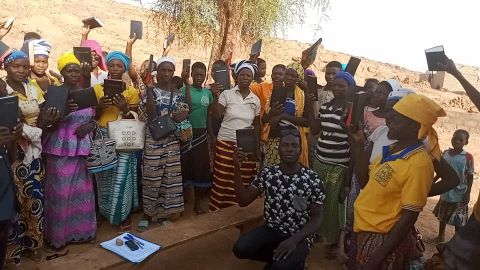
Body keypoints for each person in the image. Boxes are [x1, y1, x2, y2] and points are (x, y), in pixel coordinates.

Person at [351, 93, 445, 269]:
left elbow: (408, 218)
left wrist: (376, 258)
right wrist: (357, 144)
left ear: (414, 126)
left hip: (382, 239)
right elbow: (366, 184)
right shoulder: (392, 149)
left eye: (396, 120)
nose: (388, 123)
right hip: (365, 230)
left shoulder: (418, 163)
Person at [232, 130, 325, 270]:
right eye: (285, 145)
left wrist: (294, 240)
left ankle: (292, 264)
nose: (289, 149)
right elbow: (243, 201)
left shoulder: (312, 179)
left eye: (294, 145)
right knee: (240, 249)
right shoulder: (268, 173)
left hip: (299, 235)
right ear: (278, 148)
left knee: (279, 268)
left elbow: (317, 218)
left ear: (300, 150)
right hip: (272, 229)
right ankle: (279, 260)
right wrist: (236, 168)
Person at [3, 50, 58, 264]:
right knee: (14, 203)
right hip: (12, 154)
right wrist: (37, 130)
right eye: (16, 66)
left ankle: (33, 244)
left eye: (25, 66)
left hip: (34, 154)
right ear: (6, 67)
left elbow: (43, 114)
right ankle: (11, 251)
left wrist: (46, 121)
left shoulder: (32, 87)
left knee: (34, 200)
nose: (22, 70)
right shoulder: (3, 89)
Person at [42, 52, 97, 250]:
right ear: (62, 72)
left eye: (76, 70)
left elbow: (94, 118)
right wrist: (64, 112)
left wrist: (90, 126)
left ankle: (81, 233)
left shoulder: (87, 92)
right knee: (61, 193)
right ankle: (59, 237)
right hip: (59, 149)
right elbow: (47, 124)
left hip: (81, 150)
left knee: (82, 192)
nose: (74, 73)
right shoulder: (55, 93)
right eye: (69, 70)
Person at [308, 70, 355, 259]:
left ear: (349, 88)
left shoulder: (351, 111)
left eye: (341, 86)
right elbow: (315, 129)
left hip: (339, 163)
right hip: (321, 160)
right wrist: (311, 104)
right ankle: (319, 232)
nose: (337, 89)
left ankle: (336, 242)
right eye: (335, 85)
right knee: (319, 199)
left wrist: (348, 177)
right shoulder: (326, 106)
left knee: (336, 204)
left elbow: (353, 142)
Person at [93, 51, 140, 232]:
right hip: (102, 135)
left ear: (124, 68)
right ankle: (105, 213)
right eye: (111, 65)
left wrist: (125, 108)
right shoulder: (98, 89)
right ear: (107, 67)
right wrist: (100, 107)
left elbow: (135, 118)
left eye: (119, 66)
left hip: (122, 137)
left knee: (122, 177)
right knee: (103, 176)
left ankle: (123, 215)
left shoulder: (131, 91)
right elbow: (93, 116)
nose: (114, 68)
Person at [139, 57, 187, 231]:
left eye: (169, 71)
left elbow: (183, 113)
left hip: (172, 140)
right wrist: (150, 90)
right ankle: (147, 214)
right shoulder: (149, 91)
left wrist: (183, 115)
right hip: (154, 139)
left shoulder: (178, 92)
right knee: (151, 177)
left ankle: (163, 215)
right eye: (163, 70)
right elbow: (150, 117)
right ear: (156, 72)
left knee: (169, 178)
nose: (166, 74)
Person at [209, 60, 261, 211]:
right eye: (242, 75)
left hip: (245, 146)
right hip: (226, 142)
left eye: (248, 75)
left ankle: (234, 212)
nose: (245, 77)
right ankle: (216, 210)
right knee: (222, 178)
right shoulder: (227, 94)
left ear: (252, 78)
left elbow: (256, 125)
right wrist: (215, 96)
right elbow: (217, 114)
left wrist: (256, 148)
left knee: (240, 181)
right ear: (237, 77)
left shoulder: (255, 100)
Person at [180, 62, 213, 215]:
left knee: (201, 168)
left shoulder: (208, 93)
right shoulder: (183, 90)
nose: (199, 77)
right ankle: (183, 204)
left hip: (201, 134)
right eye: (197, 74)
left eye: (202, 74)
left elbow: (210, 116)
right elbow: (185, 108)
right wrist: (186, 85)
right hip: (186, 133)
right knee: (185, 166)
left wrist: (211, 135)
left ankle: (197, 204)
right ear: (192, 74)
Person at [432, 129, 474, 242]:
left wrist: (468, 193)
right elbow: (441, 170)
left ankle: (456, 241)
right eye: (454, 138)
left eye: (460, 140)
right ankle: (440, 236)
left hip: (460, 192)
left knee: (458, 219)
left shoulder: (468, 157)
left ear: (466, 142)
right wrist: (434, 180)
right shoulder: (445, 153)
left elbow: (470, 176)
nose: (456, 141)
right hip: (446, 191)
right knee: (443, 215)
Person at [262, 67, 309, 167]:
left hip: (292, 141)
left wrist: (282, 116)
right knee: (272, 171)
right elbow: (264, 119)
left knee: (289, 171)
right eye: (287, 74)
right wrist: (272, 113)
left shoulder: (302, 96)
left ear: (298, 79)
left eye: (293, 76)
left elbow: (305, 121)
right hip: (274, 139)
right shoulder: (275, 91)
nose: (289, 77)